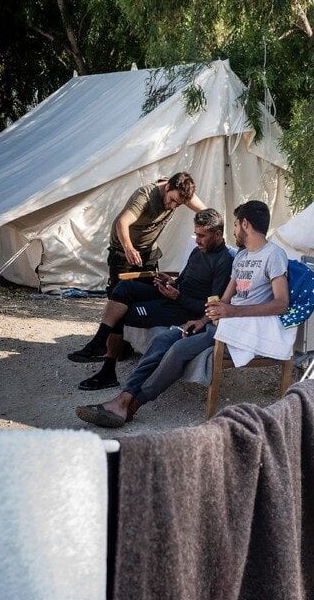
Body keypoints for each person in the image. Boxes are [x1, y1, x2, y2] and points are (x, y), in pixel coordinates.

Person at [76, 200, 288, 428]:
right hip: (217, 323)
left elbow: (281, 303)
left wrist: (231, 311)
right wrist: (203, 319)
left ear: (245, 224)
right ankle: (123, 399)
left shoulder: (273, 255)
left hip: (241, 329)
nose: (234, 230)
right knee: (162, 339)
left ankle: (133, 404)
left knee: (177, 349)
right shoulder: (242, 257)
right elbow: (223, 301)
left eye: (236, 224)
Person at [69, 209, 234, 390]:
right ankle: (99, 342)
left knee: (124, 314)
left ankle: (108, 371)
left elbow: (212, 306)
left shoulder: (224, 261)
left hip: (184, 310)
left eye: (202, 236)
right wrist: (170, 282)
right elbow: (182, 281)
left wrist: (178, 296)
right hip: (175, 298)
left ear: (218, 235)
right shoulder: (198, 252)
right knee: (124, 287)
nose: (197, 240)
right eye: (196, 234)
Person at [106, 172, 207, 293]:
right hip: (124, 249)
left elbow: (205, 211)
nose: (172, 206)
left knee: (149, 292)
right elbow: (122, 222)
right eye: (172, 200)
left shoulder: (181, 192)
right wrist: (129, 248)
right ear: (168, 187)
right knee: (118, 294)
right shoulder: (145, 196)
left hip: (148, 250)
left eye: (178, 204)